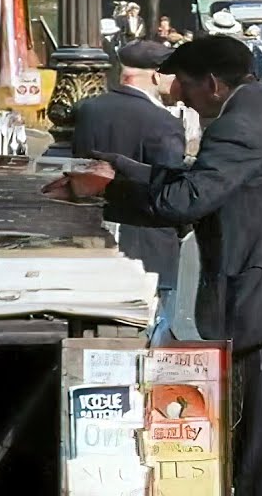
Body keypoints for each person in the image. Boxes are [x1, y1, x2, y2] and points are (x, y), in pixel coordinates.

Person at [93, 35, 262, 495]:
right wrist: (125, 170)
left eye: (189, 90)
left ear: (213, 84)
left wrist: (104, 190)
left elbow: (187, 201)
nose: (185, 102)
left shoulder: (238, 126)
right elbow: (212, 180)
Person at [72, 40, 186, 344]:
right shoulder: (164, 123)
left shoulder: (88, 110)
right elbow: (170, 191)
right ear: (155, 76)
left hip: (93, 238)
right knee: (153, 339)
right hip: (150, 246)